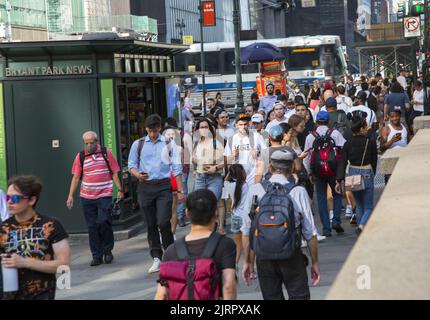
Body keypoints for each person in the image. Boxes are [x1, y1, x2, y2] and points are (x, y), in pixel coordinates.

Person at [241, 149, 320, 300]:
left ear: (270, 168)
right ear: (291, 169)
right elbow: (310, 233)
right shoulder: (298, 191)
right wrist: (315, 262)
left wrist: (248, 261)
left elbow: (246, 231)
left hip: (264, 257)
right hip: (292, 255)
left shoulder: (255, 190)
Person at [155, 189, 237, 300]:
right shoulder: (225, 244)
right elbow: (228, 286)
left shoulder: (170, 251)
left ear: (187, 213)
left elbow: (161, 294)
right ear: (215, 214)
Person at [128, 114, 184, 274]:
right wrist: (137, 175)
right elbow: (131, 164)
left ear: (160, 128)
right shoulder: (137, 144)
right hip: (145, 186)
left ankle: (169, 253)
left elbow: (177, 167)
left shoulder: (168, 143)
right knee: (150, 223)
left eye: (156, 130)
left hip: (164, 186)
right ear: (146, 129)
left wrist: (180, 190)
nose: (153, 133)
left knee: (164, 221)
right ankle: (156, 257)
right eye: (150, 130)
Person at [1, 175, 71, 300]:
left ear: (31, 200)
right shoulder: (3, 228)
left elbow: (64, 266)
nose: (9, 202)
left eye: (15, 198)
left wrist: (25, 262)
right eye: (7, 197)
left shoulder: (51, 225)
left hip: (42, 295)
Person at [67, 131, 123, 266]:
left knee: (104, 222)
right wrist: (70, 196)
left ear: (97, 141)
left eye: (91, 142)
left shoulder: (105, 152)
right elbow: (75, 177)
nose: (89, 145)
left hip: (104, 194)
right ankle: (96, 256)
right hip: (87, 196)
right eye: (86, 143)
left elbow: (114, 172)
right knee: (92, 226)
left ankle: (107, 251)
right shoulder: (80, 156)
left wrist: (120, 189)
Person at [304, 111, 346, 237]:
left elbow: (307, 157)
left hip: (318, 172)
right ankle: (336, 220)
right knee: (338, 195)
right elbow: (343, 151)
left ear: (317, 122)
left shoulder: (311, 136)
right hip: (334, 170)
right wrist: (342, 171)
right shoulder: (335, 133)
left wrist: (310, 173)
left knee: (321, 199)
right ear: (328, 122)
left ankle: (326, 229)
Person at [336, 112, 378, 235]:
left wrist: (340, 179)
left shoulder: (347, 143)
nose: (367, 129)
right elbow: (374, 161)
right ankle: (361, 225)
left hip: (353, 173)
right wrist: (372, 173)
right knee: (369, 206)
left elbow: (342, 162)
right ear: (361, 128)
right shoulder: (369, 142)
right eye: (365, 126)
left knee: (359, 204)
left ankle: (361, 228)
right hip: (367, 172)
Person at [224, 114, 267, 185]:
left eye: (245, 124)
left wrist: (258, 154)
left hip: (254, 178)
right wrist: (233, 155)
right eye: (240, 125)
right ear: (236, 125)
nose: (243, 127)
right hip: (237, 179)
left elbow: (266, 154)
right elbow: (226, 160)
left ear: (249, 124)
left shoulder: (257, 136)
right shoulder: (231, 139)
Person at [192, 118, 225, 202]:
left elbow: (225, 160)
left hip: (214, 178)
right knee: (199, 205)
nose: (204, 129)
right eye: (201, 127)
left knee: (211, 204)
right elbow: (193, 159)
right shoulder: (196, 143)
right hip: (200, 178)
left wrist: (216, 167)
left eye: (206, 127)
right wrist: (194, 162)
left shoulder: (216, 142)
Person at [225, 164, 249, 268]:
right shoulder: (246, 185)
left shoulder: (228, 184)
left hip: (235, 217)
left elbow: (226, 179)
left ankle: (234, 266)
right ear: (242, 173)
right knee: (247, 245)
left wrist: (230, 172)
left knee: (238, 245)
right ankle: (247, 264)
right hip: (245, 218)